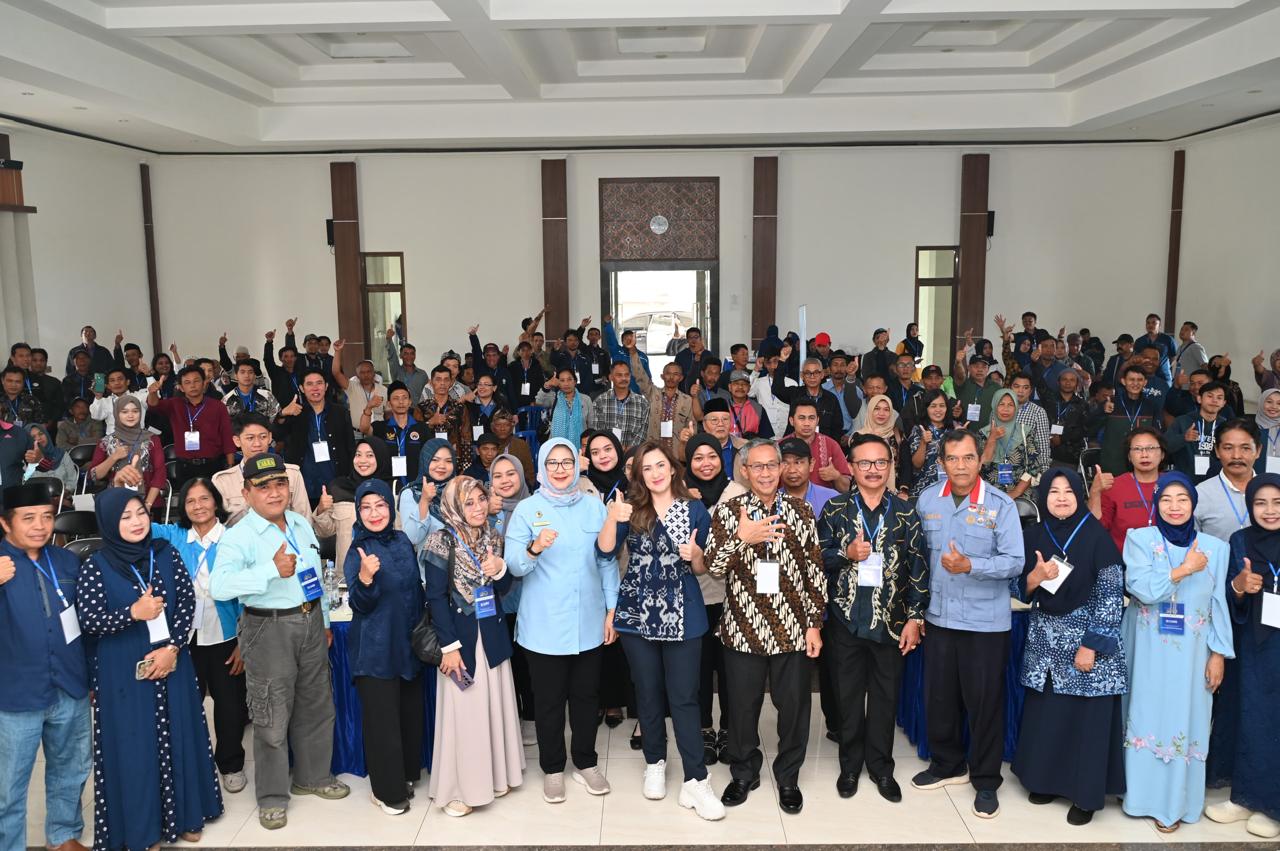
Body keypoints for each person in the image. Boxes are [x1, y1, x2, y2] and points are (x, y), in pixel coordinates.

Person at [76, 488, 223, 848]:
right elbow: (89, 621)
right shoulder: (97, 565)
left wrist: (173, 648)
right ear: (109, 522)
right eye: (125, 517)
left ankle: (187, 816)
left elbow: (186, 603)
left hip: (171, 662)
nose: (137, 522)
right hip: (123, 670)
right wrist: (132, 613)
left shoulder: (166, 552)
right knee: (135, 748)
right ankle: (143, 830)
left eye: (140, 513)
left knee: (180, 736)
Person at [209, 454, 348, 830]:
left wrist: (323, 620)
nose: (274, 493)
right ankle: (271, 797)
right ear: (246, 493)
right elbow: (219, 586)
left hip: (310, 621)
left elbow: (313, 574)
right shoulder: (238, 535)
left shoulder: (300, 523)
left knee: (316, 704)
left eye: (280, 484)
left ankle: (313, 777)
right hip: (267, 627)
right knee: (270, 715)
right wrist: (270, 570)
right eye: (264, 487)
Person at [596, 441, 725, 820]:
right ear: (640, 474)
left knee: (684, 697)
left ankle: (695, 780)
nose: (654, 473)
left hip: (682, 613)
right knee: (647, 692)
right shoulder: (632, 508)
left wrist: (696, 556)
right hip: (637, 612)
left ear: (672, 469)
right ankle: (655, 762)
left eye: (660, 465)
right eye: (646, 468)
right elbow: (604, 552)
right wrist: (611, 518)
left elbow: (703, 567)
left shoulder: (693, 509)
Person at [705, 438, 826, 815]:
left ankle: (788, 776)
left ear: (781, 468)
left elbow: (814, 570)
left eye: (772, 465)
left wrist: (814, 624)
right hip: (744, 627)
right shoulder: (729, 511)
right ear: (744, 471)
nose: (766, 473)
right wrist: (741, 538)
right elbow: (713, 566)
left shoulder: (801, 510)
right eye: (757, 466)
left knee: (794, 708)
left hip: (792, 628)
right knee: (742, 708)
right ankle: (744, 773)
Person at [912, 430, 1024, 819]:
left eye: (968, 458)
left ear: (980, 460)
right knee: (940, 697)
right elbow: (918, 558)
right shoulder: (928, 499)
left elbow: (1015, 561)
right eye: (953, 459)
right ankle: (948, 764)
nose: (960, 466)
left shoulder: (1001, 505)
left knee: (984, 703)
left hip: (984, 624)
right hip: (939, 616)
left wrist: (970, 565)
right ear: (942, 462)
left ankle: (986, 780)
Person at [505, 438, 618, 804]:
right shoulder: (527, 509)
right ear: (541, 467)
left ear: (576, 465)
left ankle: (585, 763)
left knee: (586, 697)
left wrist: (612, 609)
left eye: (566, 461)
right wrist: (534, 547)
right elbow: (513, 566)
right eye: (552, 462)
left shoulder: (593, 506)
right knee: (549, 702)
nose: (559, 469)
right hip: (544, 626)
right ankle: (553, 769)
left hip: (588, 621)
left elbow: (606, 560)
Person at [817, 434, 928, 804]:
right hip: (846, 619)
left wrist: (915, 618)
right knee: (847, 697)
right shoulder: (835, 508)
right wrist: (846, 553)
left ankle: (881, 767)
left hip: (891, 623)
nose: (873, 469)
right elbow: (817, 557)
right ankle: (850, 766)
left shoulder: (906, 512)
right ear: (851, 466)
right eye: (864, 463)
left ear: (890, 466)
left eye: (881, 462)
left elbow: (919, 568)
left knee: (885, 697)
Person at [1012, 470, 1127, 825]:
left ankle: (1084, 796)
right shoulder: (1033, 535)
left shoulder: (1097, 537)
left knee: (1085, 721)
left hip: (1084, 643)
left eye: (1068, 491)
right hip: (1046, 644)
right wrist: (1035, 577)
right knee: (1050, 715)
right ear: (1043, 497)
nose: (1061, 498)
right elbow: (1017, 589)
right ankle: (1045, 781)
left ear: (1079, 494)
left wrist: (1091, 645)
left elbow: (1111, 595)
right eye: (1053, 492)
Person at [1120, 472, 1233, 832]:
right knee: (1144, 714)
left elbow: (1219, 605)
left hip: (1193, 655)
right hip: (1146, 649)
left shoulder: (1217, 549)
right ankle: (1137, 796)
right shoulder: (1140, 539)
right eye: (1166, 499)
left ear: (1193, 504)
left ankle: (1173, 804)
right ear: (1157, 503)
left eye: (1182, 499)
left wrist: (1218, 654)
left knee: (1185, 718)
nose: (1174, 507)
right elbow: (1141, 588)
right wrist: (1183, 570)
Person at [0, 484, 91, 851]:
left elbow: (87, 622)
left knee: (72, 768)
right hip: (16, 693)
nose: (40, 526)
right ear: (5, 523)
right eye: (28, 518)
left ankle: (63, 835)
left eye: (47, 517)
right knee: (9, 784)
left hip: (70, 684)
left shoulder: (67, 561)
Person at [150, 478, 248, 795]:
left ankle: (231, 765)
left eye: (204, 499)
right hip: (183, 638)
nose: (198, 506)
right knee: (185, 705)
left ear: (216, 502)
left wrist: (243, 641)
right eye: (190, 501)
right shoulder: (175, 537)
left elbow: (248, 594)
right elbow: (138, 526)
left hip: (225, 636)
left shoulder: (234, 539)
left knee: (229, 705)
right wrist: (129, 489)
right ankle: (191, 766)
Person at [342, 478, 425, 815]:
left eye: (380, 505)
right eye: (366, 507)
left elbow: (414, 590)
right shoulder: (357, 550)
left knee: (407, 717)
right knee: (383, 724)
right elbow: (359, 604)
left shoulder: (402, 540)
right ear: (358, 512)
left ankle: (403, 775)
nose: (374, 513)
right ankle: (386, 792)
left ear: (391, 508)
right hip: (375, 650)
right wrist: (365, 578)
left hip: (407, 645)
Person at [1204, 474, 1280, 838]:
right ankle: (1246, 797)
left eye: (1277, 502)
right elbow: (1228, 593)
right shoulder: (1240, 539)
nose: (1269, 510)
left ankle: (1274, 805)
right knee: (1249, 715)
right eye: (1260, 503)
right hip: (1251, 641)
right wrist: (1239, 585)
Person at [683, 434, 745, 766]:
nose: (706, 463)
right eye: (698, 457)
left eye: (712, 456)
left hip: (732, 596)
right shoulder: (678, 494)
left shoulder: (738, 493)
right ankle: (704, 728)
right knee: (699, 668)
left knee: (732, 668)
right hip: (693, 597)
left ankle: (730, 729)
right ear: (688, 462)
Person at [488, 453, 537, 744]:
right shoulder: (484, 510)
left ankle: (531, 716)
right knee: (504, 661)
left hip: (529, 598)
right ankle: (511, 718)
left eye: (511, 474)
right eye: (498, 475)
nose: (505, 481)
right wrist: (487, 514)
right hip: (495, 601)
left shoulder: (535, 507)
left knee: (527, 663)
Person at [210, 412, 312, 521]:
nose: (257, 444)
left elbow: (304, 519)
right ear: (237, 441)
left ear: (270, 437)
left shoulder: (292, 474)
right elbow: (219, 525)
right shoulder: (222, 481)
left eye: (263, 437)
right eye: (250, 438)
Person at [314, 437, 393, 573]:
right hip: (347, 573)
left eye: (370, 455)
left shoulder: (392, 488)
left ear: (381, 457)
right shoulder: (339, 487)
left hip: (385, 571)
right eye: (358, 455)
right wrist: (321, 508)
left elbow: (401, 533)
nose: (362, 460)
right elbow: (324, 532)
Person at [147, 365, 235, 486]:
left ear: (204, 383)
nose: (192, 385)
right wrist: (152, 393)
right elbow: (154, 406)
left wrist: (230, 466)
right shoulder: (174, 404)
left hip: (213, 465)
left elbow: (227, 436)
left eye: (196, 381)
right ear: (181, 387)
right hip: (185, 466)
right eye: (187, 382)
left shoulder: (218, 406)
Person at [281, 368, 354, 505]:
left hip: (336, 484)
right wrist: (283, 414)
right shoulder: (295, 413)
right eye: (309, 384)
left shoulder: (340, 412)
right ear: (302, 388)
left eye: (319, 383)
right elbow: (276, 433)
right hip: (305, 485)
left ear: (326, 386)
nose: (315, 388)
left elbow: (350, 446)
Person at [1089, 426, 1167, 552]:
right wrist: (1095, 491)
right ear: (1129, 456)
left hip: (1167, 558)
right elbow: (1095, 527)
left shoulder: (1173, 484)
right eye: (1137, 449)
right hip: (1124, 559)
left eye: (1151, 448)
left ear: (1162, 454)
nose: (1144, 455)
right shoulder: (1113, 486)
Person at [88, 395, 167, 511]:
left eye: (135, 411)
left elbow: (160, 474)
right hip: (116, 501)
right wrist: (114, 457)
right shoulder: (106, 442)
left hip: (149, 502)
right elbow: (94, 475)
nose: (130, 415)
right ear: (116, 414)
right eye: (124, 412)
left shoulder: (152, 439)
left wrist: (147, 505)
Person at [1087, 364, 1163, 475]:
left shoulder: (1151, 406)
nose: (1135, 383)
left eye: (1139, 380)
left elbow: (1158, 435)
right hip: (1113, 464)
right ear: (1123, 381)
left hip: (1141, 464)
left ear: (1145, 382)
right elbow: (1089, 428)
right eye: (1131, 379)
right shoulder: (1111, 403)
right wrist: (1102, 411)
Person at [1195, 419, 1260, 542]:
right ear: (1217, 451)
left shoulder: (1273, 492)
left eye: (1245, 448)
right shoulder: (1199, 494)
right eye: (1228, 448)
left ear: (1258, 451)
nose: (1236, 456)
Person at [978, 388, 1040, 500]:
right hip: (988, 496)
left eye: (1010, 405)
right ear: (994, 406)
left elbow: (1034, 469)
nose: (1005, 409)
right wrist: (992, 438)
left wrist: (1014, 494)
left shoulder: (1026, 432)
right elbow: (980, 466)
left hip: (1020, 497)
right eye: (1001, 404)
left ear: (1016, 408)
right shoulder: (983, 433)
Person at [771, 350, 844, 439]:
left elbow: (837, 428)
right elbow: (777, 390)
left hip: (822, 444)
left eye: (816, 373)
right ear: (802, 376)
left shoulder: (831, 399)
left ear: (822, 375)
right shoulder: (795, 393)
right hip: (795, 443)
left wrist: (828, 445)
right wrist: (782, 360)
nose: (812, 377)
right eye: (808, 373)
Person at [1166, 380, 1229, 481]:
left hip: (1215, 481)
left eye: (1219, 398)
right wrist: (1183, 438)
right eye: (1210, 396)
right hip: (1185, 480)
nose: (1214, 400)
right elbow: (1165, 446)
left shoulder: (1227, 427)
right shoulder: (1182, 421)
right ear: (1199, 399)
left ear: (1223, 403)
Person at [400, 438, 457, 547]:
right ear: (425, 461)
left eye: (448, 461)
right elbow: (412, 538)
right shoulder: (411, 493)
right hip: (431, 557)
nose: (442, 465)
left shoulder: (460, 490)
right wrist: (424, 501)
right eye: (435, 460)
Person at [785, 399, 851, 492]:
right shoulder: (781, 446)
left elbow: (846, 488)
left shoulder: (831, 445)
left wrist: (836, 476)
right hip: (787, 499)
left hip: (824, 500)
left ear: (817, 420)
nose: (807, 423)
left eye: (811, 418)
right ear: (792, 421)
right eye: (802, 418)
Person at [591, 360, 649, 450]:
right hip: (608, 452)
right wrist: (613, 448)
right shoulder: (600, 402)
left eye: (627, 375)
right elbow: (598, 430)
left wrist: (630, 449)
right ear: (611, 377)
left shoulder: (642, 403)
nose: (624, 378)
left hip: (633, 453)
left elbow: (644, 431)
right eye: (619, 375)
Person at [907, 388, 954, 498]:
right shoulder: (918, 430)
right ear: (926, 408)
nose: (938, 410)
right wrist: (923, 442)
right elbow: (916, 464)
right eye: (933, 406)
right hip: (923, 490)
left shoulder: (954, 430)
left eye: (942, 406)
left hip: (950, 490)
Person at [855, 394, 902, 494]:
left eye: (886, 409)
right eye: (876, 409)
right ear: (870, 410)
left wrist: (903, 490)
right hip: (863, 490)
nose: (881, 413)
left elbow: (905, 465)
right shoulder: (858, 437)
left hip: (893, 491)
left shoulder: (898, 435)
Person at [537, 367, 593, 447]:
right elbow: (539, 401)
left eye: (569, 379)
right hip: (556, 448)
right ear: (558, 383)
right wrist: (547, 385)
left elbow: (591, 425)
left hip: (580, 448)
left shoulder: (586, 399)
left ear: (575, 381)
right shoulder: (553, 398)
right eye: (562, 380)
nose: (566, 383)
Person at [952, 354, 1001, 433]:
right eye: (976, 366)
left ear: (988, 369)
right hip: (966, 433)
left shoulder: (996, 388)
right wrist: (958, 363)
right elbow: (959, 375)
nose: (980, 370)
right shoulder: (963, 384)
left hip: (989, 434)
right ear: (969, 368)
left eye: (984, 367)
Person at [27, 424, 79, 497]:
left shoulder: (62, 454)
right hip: (37, 501)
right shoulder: (26, 460)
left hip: (63, 498)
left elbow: (72, 481)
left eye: (41, 434)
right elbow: (25, 488)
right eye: (33, 437)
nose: (39, 438)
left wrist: (62, 496)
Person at [1133, 313, 1177, 385]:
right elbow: (1136, 358)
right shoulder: (1140, 341)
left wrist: (1164, 365)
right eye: (1148, 323)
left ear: (1159, 325)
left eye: (1154, 323)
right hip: (1144, 375)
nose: (1150, 325)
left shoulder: (1168, 339)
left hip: (1163, 375)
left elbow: (1174, 357)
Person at [674, 328, 718, 395]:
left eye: (696, 337)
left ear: (700, 338)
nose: (693, 340)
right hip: (684, 391)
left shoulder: (708, 354)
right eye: (690, 337)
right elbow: (677, 374)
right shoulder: (680, 356)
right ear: (687, 340)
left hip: (704, 391)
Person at [1254, 388, 1280, 474]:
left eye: (1279, 403)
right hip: (1253, 477)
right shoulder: (1248, 428)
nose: (1274, 407)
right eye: (1269, 402)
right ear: (1261, 403)